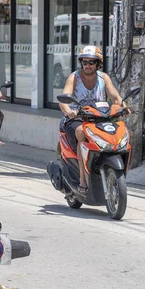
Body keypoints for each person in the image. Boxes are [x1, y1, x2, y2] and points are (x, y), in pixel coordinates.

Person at [59, 45, 130, 194]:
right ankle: (83, 180)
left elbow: (115, 97)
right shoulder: (74, 77)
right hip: (78, 118)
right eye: (84, 62)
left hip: (100, 117)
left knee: (119, 130)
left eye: (91, 62)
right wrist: (69, 112)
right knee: (81, 132)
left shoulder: (103, 78)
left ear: (98, 64)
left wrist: (124, 107)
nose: (87, 65)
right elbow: (64, 99)